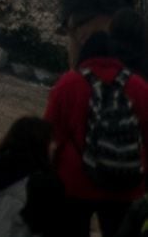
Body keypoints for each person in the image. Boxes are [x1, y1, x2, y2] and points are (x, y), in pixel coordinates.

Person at [46, 19, 148, 233]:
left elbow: (51, 135)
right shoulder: (139, 87)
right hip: (124, 182)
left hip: (76, 180)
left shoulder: (69, 83)